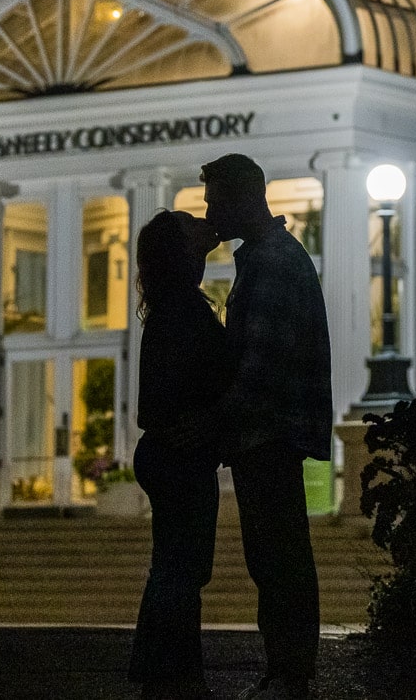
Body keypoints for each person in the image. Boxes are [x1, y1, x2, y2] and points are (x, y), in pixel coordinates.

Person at [197, 153, 333, 700]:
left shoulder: (271, 261)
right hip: (272, 431)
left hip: (267, 433)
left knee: (277, 554)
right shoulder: (268, 256)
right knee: (276, 553)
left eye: (213, 200)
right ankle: (287, 667)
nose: (207, 211)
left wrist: (214, 422)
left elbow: (260, 362)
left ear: (240, 198)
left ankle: (289, 670)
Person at [127, 209, 232, 700]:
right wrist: (196, 424)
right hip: (178, 457)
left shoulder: (172, 307)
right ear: (180, 250)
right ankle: (173, 675)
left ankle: (163, 670)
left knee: (176, 565)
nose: (203, 220)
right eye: (191, 221)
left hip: (169, 455)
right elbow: (158, 402)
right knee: (182, 569)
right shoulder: (181, 312)